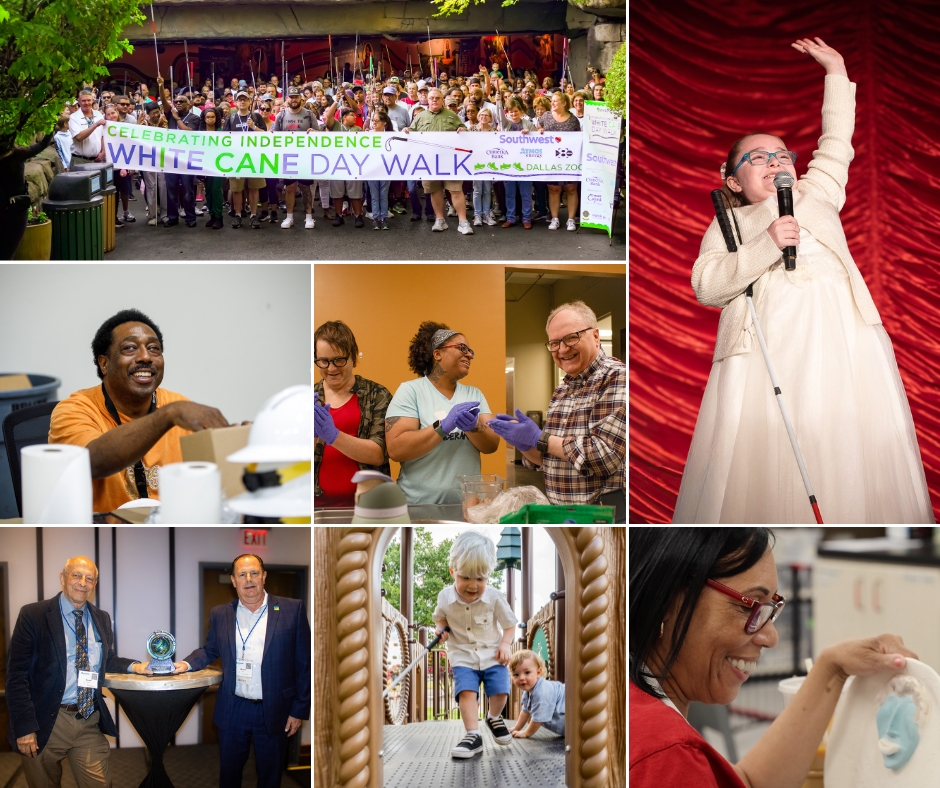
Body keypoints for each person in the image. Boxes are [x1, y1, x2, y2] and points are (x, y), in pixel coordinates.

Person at [675, 37, 933, 523]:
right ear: (733, 181)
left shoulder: (816, 194)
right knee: (771, 448)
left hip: (843, 338)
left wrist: (836, 70)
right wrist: (767, 242)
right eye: (757, 158)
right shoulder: (730, 223)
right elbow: (707, 285)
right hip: (766, 350)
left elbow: (836, 142)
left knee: (843, 436)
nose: (775, 161)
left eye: (781, 155)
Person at [629, 527, 917, 787]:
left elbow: (746, 782)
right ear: (668, 599)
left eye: (770, 609)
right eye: (750, 606)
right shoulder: (666, 755)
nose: (771, 637)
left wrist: (833, 668)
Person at [48, 309, 231, 513]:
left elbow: (212, 481)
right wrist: (166, 416)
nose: (146, 357)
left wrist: (238, 443)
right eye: (130, 348)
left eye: (154, 348)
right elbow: (92, 463)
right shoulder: (74, 409)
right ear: (104, 363)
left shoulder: (177, 404)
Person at [6, 556, 155, 788]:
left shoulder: (101, 618)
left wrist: (135, 666)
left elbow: (107, 659)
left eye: (90, 578)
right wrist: (24, 727)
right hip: (45, 720)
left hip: (87, 718)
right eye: (76, 575)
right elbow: (16, 676)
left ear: (94, 585)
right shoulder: (33, 615)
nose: (82, 583)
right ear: (63, 578)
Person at [177, 554, 310, 788]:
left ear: (264, 576)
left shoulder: (291, 609)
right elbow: (210, 650)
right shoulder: (221, 613)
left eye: (254, 573)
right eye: (242, 574)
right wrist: (185, 664)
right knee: (229, 774)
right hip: (233, 708)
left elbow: (304, 663)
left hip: (275, 709)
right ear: (233, 580)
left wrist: (298, 710)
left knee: (270, 776)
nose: (249, 579)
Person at [488, 301, 625, 521]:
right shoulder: (563, 389)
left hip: (600, 517)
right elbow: (551, 460)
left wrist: (540, 438)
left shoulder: (617, 377)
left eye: (571, 338)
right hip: (562, 515)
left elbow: (603, 455)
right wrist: (524, 444)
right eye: (554, 343)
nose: (562, 349)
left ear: (596, 336)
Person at [385, 323, 499, 505]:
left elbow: (492, 444)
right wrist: (442, 426)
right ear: (437, 354)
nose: (469, 354)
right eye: (462, 348)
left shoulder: (474, 394)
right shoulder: (410, 391)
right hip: (417, 505)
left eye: (470, 351)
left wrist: (474, 427)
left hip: (466, 506)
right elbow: (396, 449)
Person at [432, 531, 518, 759]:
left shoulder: (494, 597)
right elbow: (439, 618)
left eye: (480, 579)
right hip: (462, 656)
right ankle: (473, 735)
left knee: (500, 690)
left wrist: (506, 644)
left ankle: (493, 717)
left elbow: (509, 624)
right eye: (466, 578)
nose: (473, 585)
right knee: (466, 693)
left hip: (492, 654)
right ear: (453, 571)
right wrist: (441, 631)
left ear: (488, 576)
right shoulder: (444, 598)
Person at [314, 320, 392, 508]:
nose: (331, 369)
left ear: (354, 358)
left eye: (339, 360)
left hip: (369, 506)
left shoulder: (377, 395)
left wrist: (334, 436)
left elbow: (378, 453)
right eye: (323, 361)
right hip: (317, 506)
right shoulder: (308, 398)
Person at [404, 88, 473, 234]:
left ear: (443, 100)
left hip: (450, 162)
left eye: (437, 98)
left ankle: (463, 222)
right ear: (427, 100)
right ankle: (440, 220)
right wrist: (406, 131)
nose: (434, 100)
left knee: (456, 190)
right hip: (429, 162)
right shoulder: (420, 117)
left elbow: (463, 129)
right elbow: (411, 133)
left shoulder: (452, 115)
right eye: (431, 98)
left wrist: (462, 130)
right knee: (434, 191)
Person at [273, 86, 321, 230]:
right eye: (291, 97)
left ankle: (309, 217)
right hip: (289, 156)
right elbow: (275, 135)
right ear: (287, 98)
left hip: (305, 156)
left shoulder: (309, 114)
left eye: (296, 97)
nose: (294, 99)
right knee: (290, 187)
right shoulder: (281, 115)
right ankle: (289, 217)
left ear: (301, 98)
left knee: (306, 187)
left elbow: (318, 133)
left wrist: (314, 131)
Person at [156, 75, 200, 227]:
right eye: (176, 102)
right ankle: (173, 217)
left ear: (189, 104)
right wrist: (161, 86)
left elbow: (188, 133)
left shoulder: (194, 118)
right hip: (171, 159)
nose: (179, 103)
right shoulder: (171, 113)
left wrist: (177, 118)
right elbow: (163, 101)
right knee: (171, 189)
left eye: (182, 102)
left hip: (186, 159)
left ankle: (190, 218)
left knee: (188, 190)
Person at [222, 91, 268, 228]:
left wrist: (254, 127)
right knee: (237, 189)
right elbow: (224, 139)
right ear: (235, 103)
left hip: (254, 157)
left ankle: (253, 215)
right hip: (236, 158)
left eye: (245, 99)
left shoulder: (256, 117)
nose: (242, 102)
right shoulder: (231, 118)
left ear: (249, 102)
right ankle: (238, 214)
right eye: (239, 100)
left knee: (254, 188)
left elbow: (266, 136)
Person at [536, 92, 580, 231]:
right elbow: (538, 128)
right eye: (552, 101)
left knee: (571, 188)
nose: (553, 103)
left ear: (564, 103)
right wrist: (540, 129)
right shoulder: (546, 116)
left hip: (569, 160)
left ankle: (571, 220)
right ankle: (555, 219)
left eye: (556, 101)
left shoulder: (573, 120)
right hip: (551, 159)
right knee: (553, 189)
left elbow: (578, 139)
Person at [322, 97, 366, 227]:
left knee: (355, 193)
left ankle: (358, 216)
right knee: (337, 192)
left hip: (353, 164)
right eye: (352, 115)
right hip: (337, 164)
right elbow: (329, 116)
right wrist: (336, 101)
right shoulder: (336, 126)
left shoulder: (358, 129)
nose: (354, 117)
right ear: (344, 117)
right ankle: (339, 215)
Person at [509, 649, 565, 739]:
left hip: (571, 719)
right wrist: (517, 728)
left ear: (538, 672)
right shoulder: (528, 690)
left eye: (527, 672)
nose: (521, 678)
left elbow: (538, 719)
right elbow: (525, 711)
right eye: (516, 674)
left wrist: (526, 733)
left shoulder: (542, 691)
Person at [499, 97, 536, 229]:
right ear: (507, 113)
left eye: (516, 111)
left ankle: (526, 218)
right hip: (508, 165)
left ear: (520, 111)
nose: (513, 114)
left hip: (525, 165)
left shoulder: (529, 124)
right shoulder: (504, 125)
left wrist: (530, 134)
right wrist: (499, 101)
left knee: (525, 194)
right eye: (511, 112)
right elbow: (499, 116)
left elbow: (538, 141)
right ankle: (510, 218)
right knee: (510, 194)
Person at [136, 101, 167, 226]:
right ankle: (153, 215)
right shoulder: (143, 124)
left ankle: (164, 214)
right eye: (153, 113)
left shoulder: (164, 122)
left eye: (157, 112)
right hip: (147, 158)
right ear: (148, 114)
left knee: (163, 185)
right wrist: (138, 124)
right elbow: (135, 137)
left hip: (163, 158)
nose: (156, 115)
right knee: (151, 186)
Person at [468, 107, 498, 227]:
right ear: (478, 116)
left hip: (490, 163)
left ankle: (486, 214)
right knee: (477, 190)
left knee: (487, 190)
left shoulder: (495, 131)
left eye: (486, 115)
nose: (483, 117)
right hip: (476, 163)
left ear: (490, 118)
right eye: (481, 115)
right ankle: (477, 215)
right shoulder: (472, 129)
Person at [198, 107, 225, 229]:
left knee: (216, 190)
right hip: (205, 165)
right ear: (204, 118)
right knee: (208, 191)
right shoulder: (200, 132)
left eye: (212, 117)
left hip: (218, 165)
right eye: (208, 117)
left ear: (216, 118)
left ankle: (219, 217)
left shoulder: (222, 132)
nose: (210, 119)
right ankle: (212, 215)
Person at [68, 90, 106, 166]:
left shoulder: (98, 114)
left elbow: (102, 135)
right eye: (83, 101)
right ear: (79, 102)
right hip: (80, 160)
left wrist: (103, 152)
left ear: (92, 100)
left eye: (89, 100)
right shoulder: (73, 117)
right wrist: (95, 125)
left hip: (97, 160)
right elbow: (79, 137)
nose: (87, 103)